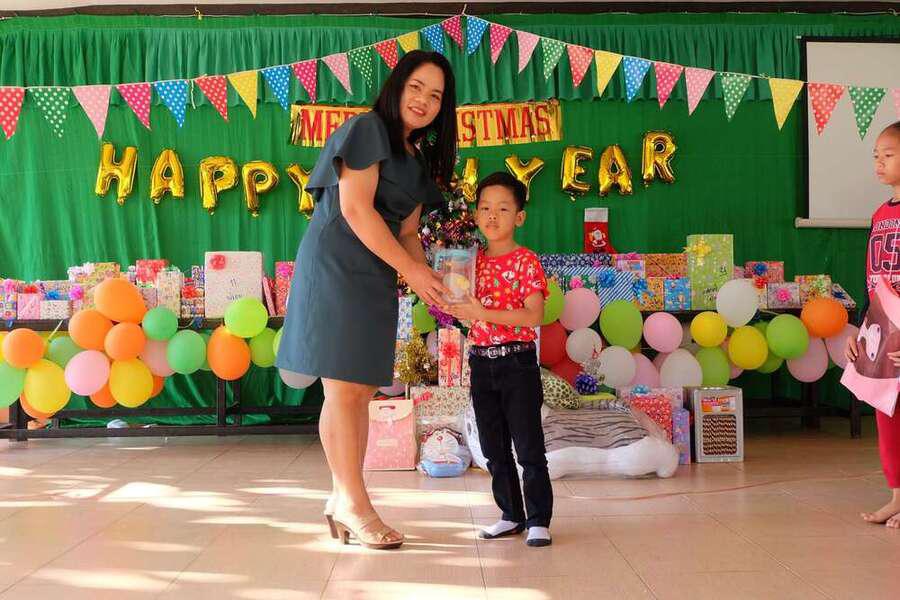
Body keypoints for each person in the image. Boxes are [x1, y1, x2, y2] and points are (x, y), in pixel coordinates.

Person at [276, 50, 457, 549]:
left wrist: (430, 279)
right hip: (336, 265)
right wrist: (411, 270)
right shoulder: (367, 129)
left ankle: (342, 499)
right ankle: (355, 504)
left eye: (435, 95)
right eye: (416, 87)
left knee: (359, 391)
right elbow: (356, 209)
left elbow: (408, 232)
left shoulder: (418, 160)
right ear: (396, 86)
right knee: (341, 389)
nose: (423, 101)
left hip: (377, 272)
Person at [445, 172, 553, 547]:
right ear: (476, 215)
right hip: (480, 362)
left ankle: (538, 520)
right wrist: (456, 307)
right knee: (493, 448)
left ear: (519, 217)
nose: (493, 216)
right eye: (485, 208)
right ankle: (510, 515)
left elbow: (533, 315)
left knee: (528, 446)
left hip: (517, 364)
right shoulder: (469, 263)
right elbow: (466, 315)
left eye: (503, 209)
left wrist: (481, 312)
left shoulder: (526, 261)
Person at [845, 121, 900, 529]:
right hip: (883, 327)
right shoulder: (880, 214)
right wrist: (861, 329)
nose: (879, 163)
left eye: (889, 155)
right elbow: (874, 278)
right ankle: (897, 495)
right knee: (887, 412)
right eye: (876, 156)